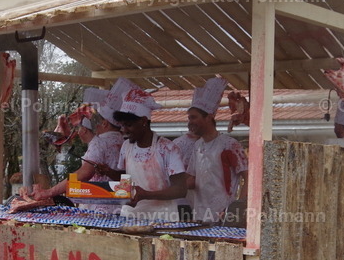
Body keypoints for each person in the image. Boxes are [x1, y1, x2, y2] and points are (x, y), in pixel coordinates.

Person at [101, 84, 187, 223]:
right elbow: (126, 178)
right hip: (130, 215)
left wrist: (146, 195)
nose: (124, 130)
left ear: (143, 121)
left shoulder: (167, 148)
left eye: (128, 125)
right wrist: (109, 172)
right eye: (122, 125)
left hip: (161, 218)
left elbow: (180, 190)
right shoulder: (126, 147)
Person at [28, 91, 124, 213]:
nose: (96, 126)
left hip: (99, 209)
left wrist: (50, 191)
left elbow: (84, 173)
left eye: (98, 122)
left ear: (104, 123)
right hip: (121, 206)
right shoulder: (124, 141)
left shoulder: (99, 142)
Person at [185, 77, 248, 224]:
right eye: (189, 118)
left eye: (194, 118)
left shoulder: (229, 145)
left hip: (223, 217)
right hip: (199, 216)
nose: (190, 123)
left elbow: (249, 178)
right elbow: (192, 179)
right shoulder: (197, 145)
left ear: (209, 117)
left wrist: (236, 209)